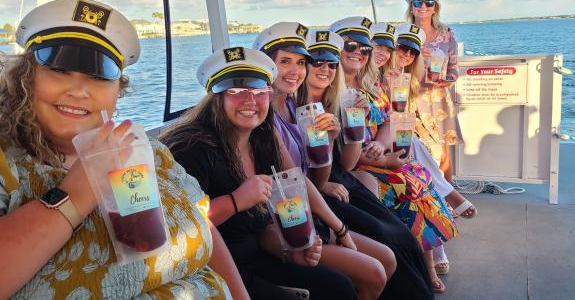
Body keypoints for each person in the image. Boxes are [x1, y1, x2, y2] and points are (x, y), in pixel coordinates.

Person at [0, 0, 245, 299]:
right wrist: (74, 195)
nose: (79, 90)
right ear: (27, 78)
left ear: (118, 92)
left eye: (100, 77)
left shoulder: (150, 152)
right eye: (59, 70)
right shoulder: (7, 165)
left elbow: (202, 221)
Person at [162, 46, 395, 300]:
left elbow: (288, 191)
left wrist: (297, 247)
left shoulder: (261, 138)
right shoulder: (193, 149)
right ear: (217, 97)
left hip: (261, 246)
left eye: (259, 91)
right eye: (236, 91)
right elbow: (181, 225)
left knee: (350, 278)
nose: (250, 100)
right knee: (339, 288)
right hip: (216, 266)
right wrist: (236, 201)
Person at [252, 22, 397, 299]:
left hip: (307, 206)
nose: (295, 71)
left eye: (300, 62)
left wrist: (329, 140)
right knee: (376, 270)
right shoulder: (265, 117)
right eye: (284, 62)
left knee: (388, 258)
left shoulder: (296, 107)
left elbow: (317, 179)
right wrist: (341, 229)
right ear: (266, 66)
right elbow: (296, 176)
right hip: (282, 221)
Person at [299, 27, 435, 300]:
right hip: (317, 189)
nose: (324, 69)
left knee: (400, 235)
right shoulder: (293, 106)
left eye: (330, 63)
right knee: (383, 235)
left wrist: (354, 122)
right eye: (315, 62)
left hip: (337, 177)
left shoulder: (335, 100)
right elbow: (303, 173)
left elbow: (347, 164)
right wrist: (325, 185)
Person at [333, 16, 458, 293]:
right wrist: (385, 158)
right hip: (361, 166)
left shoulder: (370, 85)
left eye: (364, 48)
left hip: (377, 155)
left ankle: (425, 266)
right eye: (350, 47)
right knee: (409, 188)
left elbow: (390, 118)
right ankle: (415, 269)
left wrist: (381, 143)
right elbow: (345, 156)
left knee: (419, 180)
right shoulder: (335, 93)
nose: (361, 53)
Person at [374, 22, 478, 275]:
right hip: (377, 145)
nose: (405, 56)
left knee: (421, 165)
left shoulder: (404, 78)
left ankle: (437, 250)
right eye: (400, 49)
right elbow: (386, 120)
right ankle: (450, 195)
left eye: (412, 52)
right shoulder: (375, 78)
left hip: (395, 138)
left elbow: (401, 116)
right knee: (418, 158)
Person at [403, 0, 466, 187]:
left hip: (437, 100)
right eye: (417, 2)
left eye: (429, 2)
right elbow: (393, 66)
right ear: (411, 7)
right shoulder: (403, 35)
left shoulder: (447, 33)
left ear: (435, 7)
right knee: (413, 152)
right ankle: (424, 199)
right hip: (409, 100)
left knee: (443, 153)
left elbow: (454, 70)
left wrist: (444, 80)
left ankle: (450, 202)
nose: (423, 7)